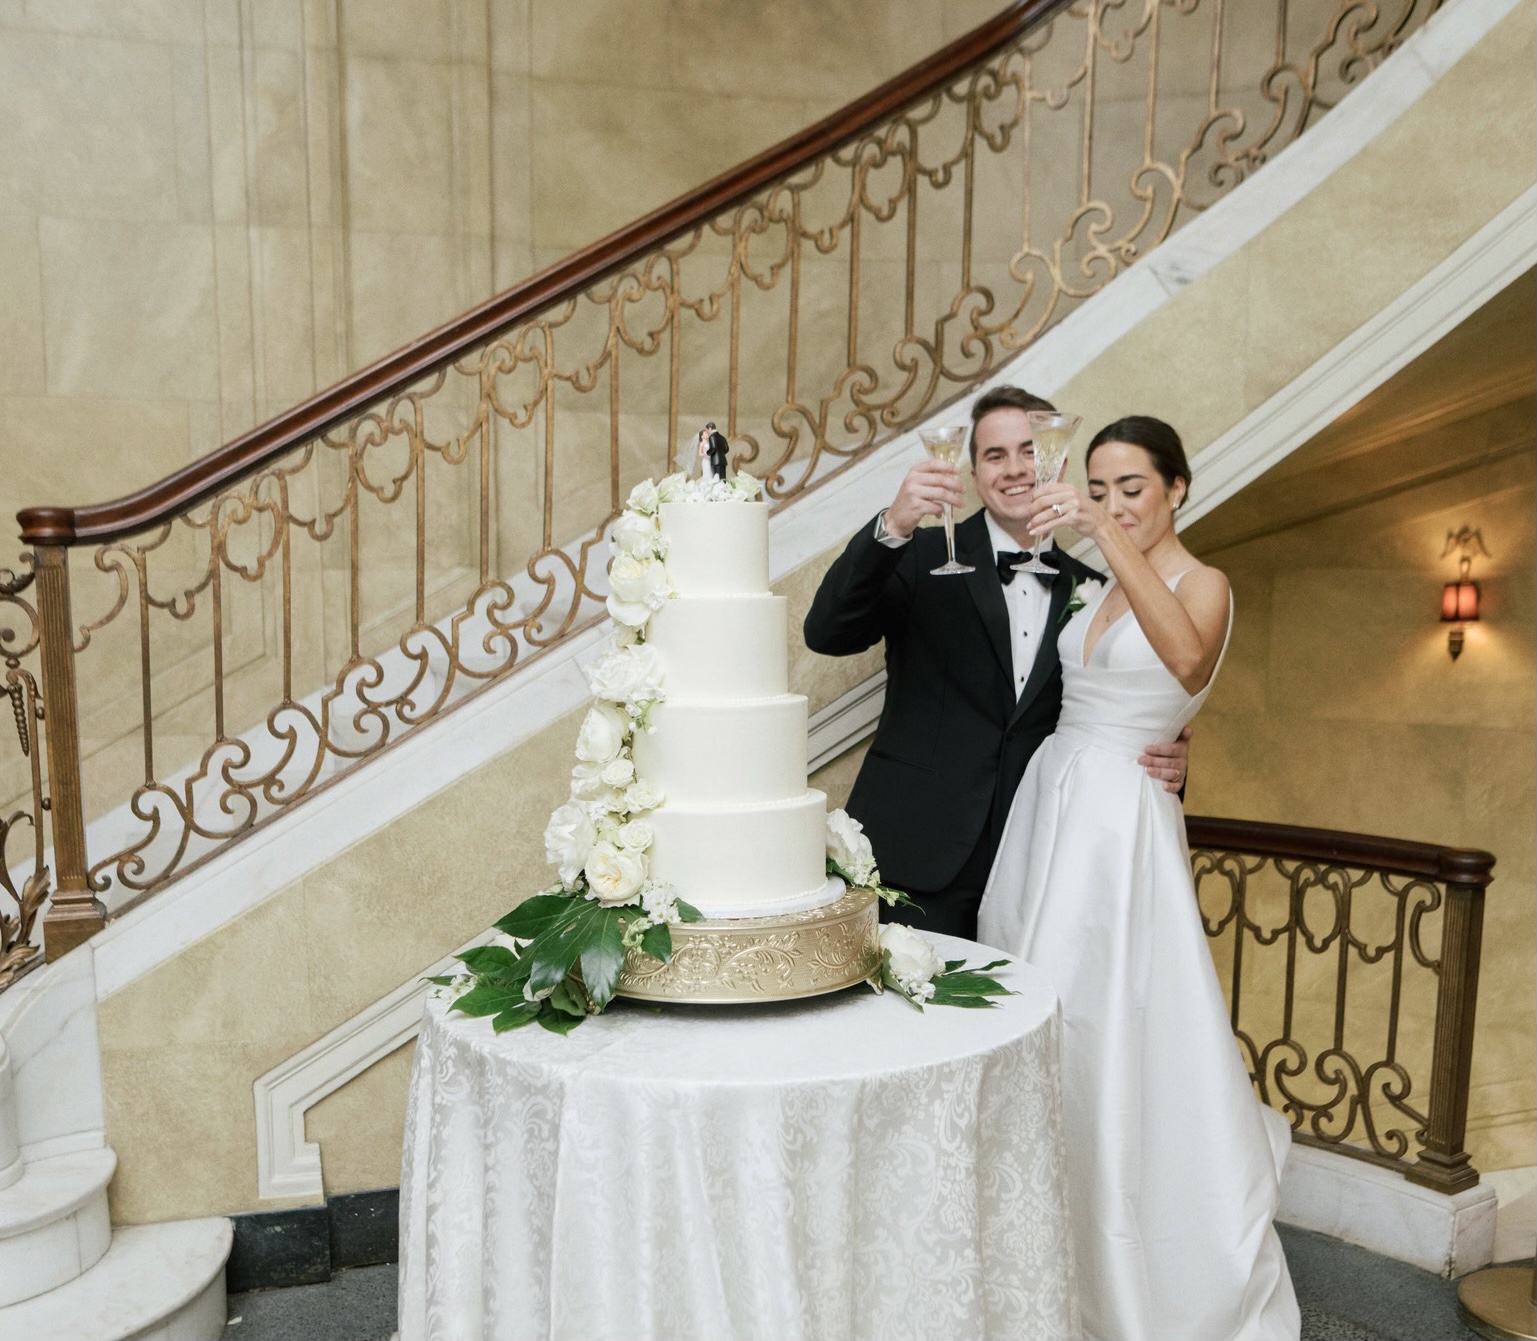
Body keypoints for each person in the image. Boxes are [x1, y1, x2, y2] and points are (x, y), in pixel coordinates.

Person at [978, 416, 1300, 1340]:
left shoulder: (1204, 582)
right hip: (1051, 806)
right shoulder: (1094, 588)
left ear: (1177, 488)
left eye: (1132, 487)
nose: (1114, 504)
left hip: (1119, 828)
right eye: (1099, 488)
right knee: (1035, 1019)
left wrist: (1100, 533)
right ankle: (1032, 1239)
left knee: (1105, 1027)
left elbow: (1186, 660)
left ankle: (1130, 1251)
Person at [803, 387, 1189, 939]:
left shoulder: (1095, 590)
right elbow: (826, 633)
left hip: (1037, 857)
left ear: (1056, 463)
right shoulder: (920, 554)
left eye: (1030, 451)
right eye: (994, 455)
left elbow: (1121, 706)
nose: (1014, 469)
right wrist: (895, 523)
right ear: (974, 472)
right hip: (916, 854)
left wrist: (1170, 755)